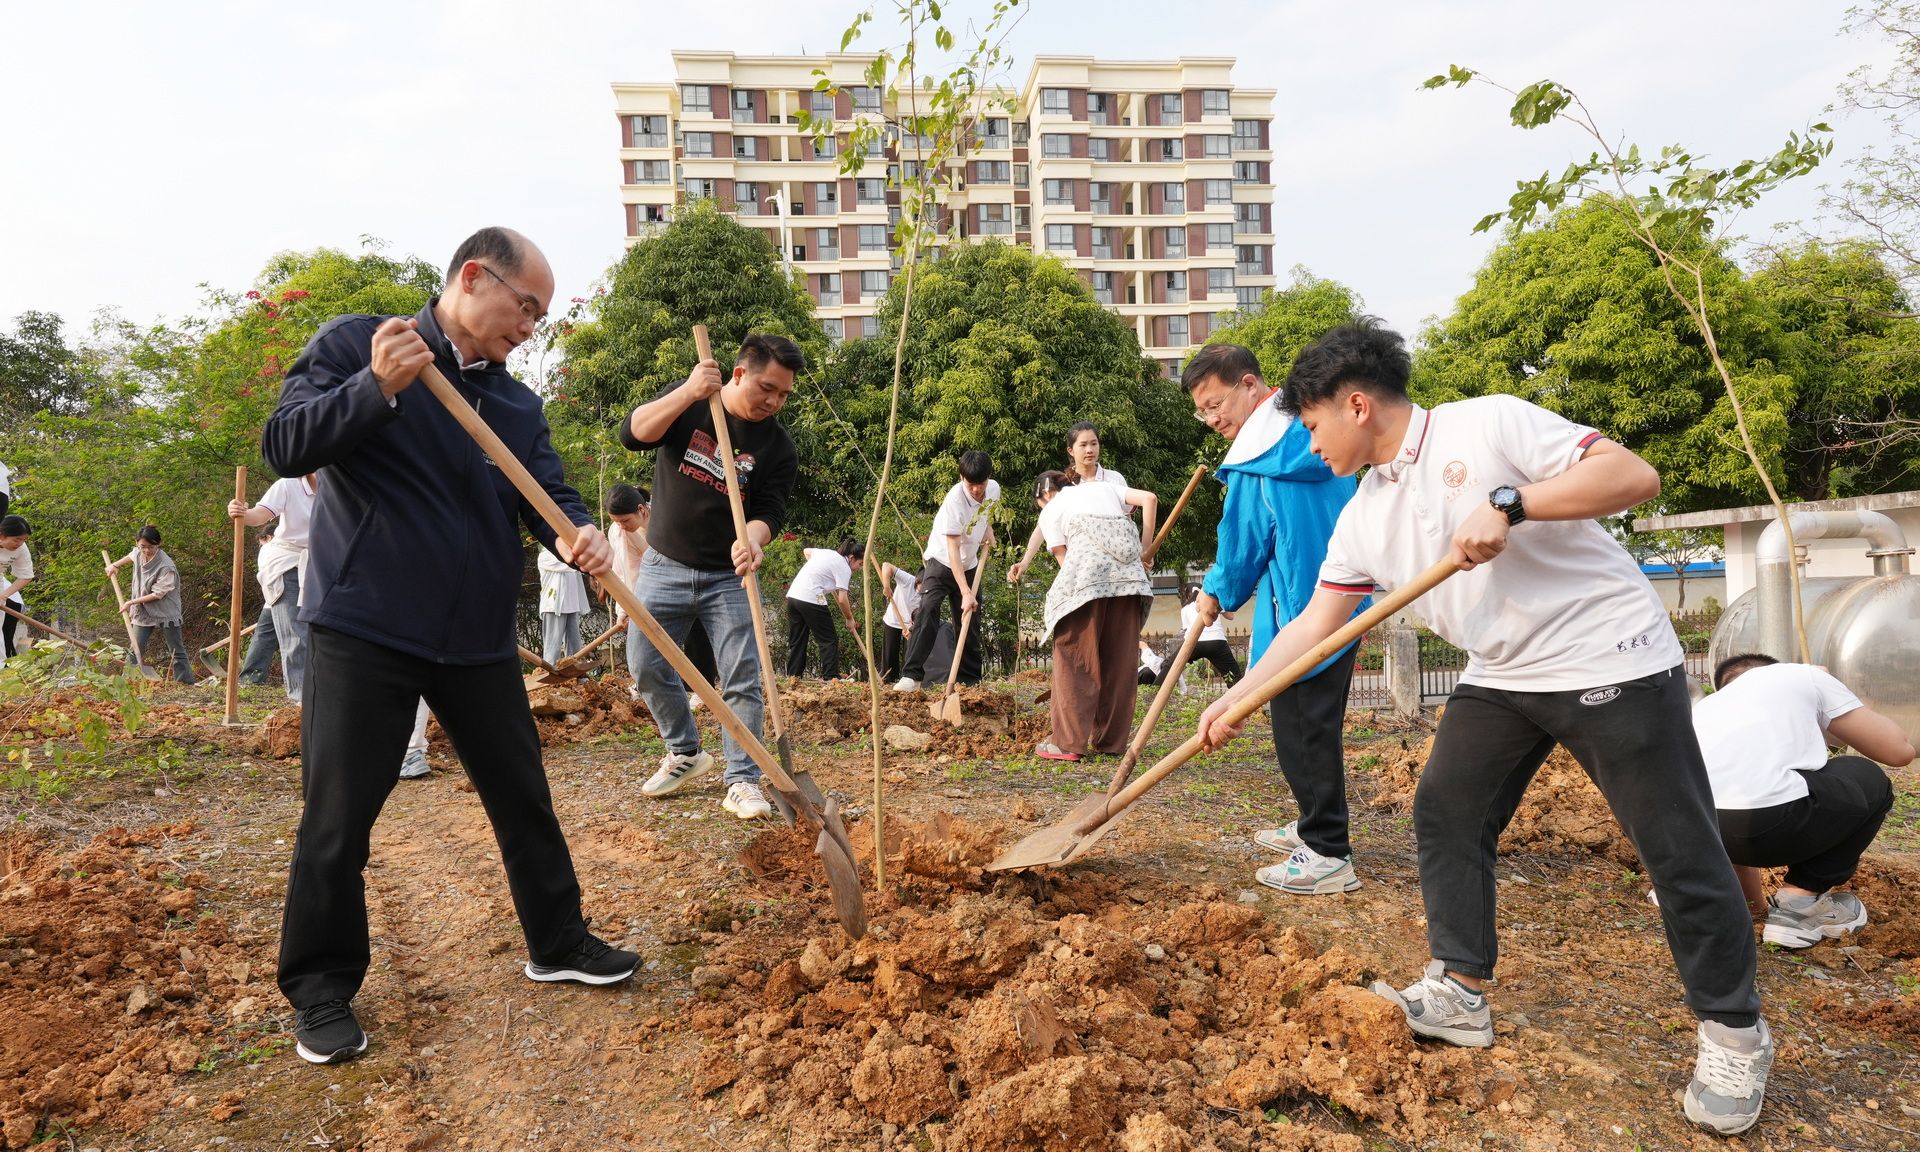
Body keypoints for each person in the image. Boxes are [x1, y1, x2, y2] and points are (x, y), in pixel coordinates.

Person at [1196, 319, 1772, 1136]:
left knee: (1675, 843)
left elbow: (1632, 474)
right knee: (1447, 810)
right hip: (1503, 672)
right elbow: (1318, 621)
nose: (1310, 443)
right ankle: (1458, 990)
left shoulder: (1488, 423)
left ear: (1357, 406)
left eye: (1314, 425)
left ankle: (1734, 1030)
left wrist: (1512, 503)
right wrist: (1240, 696)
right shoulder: (1363, 514)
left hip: (1606, 655)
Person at [262, 226, 638, 1067]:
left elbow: (548, 494)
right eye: (526, 307)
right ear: (474, 278)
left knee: (523, 796)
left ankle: (558, 941)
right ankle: (321, 987)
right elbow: (286, 445)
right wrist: (374, 387)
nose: (530, 328)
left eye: (540, 316)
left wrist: (578, 532)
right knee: (338, 817)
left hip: (474, 635)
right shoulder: (362, 344)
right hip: (366, 625)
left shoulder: (514, 404)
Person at [1183, 343, 1361, 895]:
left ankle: (1328, 850)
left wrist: (1216, 592)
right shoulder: (1318, 433)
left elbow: (1243, 542)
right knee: (1316, 723)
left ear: (1250, 385)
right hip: (1343, 599)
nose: (1213, 420)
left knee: (1301, 728)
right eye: (1203, 413)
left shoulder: (1257, 456)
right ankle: (1311, 823)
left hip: (1300, 610)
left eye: (1216, 405)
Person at [620, 333, 803, 820]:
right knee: (644, 665)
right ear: (739, 374)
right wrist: (688, 391)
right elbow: (633, 434)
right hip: (664, 565)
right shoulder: (693, 405)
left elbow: (770, 510)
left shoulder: (778, 447)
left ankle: (742, 779)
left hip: (729, 577)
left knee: (741, 677)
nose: (774, 401)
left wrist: (754, 539)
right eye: (767, 388)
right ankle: (684, 750)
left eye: (784, 394)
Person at [1693, 653, 1914, 948]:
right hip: (1773, 824)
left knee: (1742, 798)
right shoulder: (1804, 675)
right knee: (1866, 776)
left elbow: (1734, 815)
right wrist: (1829, 686)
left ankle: (1784, 914)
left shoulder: (1706, 707)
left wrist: (1758, 909)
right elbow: (1898, 752)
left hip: (1700, 830)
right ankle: (1800, 902)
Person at [1031, 470, 1157, 761]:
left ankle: (1067, 743)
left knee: (1075, 658)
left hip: (1089, 582)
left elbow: (1065, 561)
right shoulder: (1106, 487)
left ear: (1046, 494)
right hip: (1131, 581)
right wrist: (1146, 551)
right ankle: (1111, 742)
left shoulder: (1052, 508)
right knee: (1119, 661)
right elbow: (1149, 499)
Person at [895, 451, 999, 692]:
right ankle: (912, 676)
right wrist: (965, 592)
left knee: (970, 621)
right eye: (971, 485)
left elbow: (986, 514)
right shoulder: (954, 501)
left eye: (981, 483)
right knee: (928, 610)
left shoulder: (993, 489)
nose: (977, 490)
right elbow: (953, 550)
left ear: (988, 477)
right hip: (942, 562)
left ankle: (969, 681)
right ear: (962, 478)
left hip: (970, 564)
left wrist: (988, 529)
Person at [228, 473, 317, 703]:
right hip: (286, 561)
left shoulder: (342, 485)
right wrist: (242, 513)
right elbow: (259, 515)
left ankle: (322, 695)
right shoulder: (288, 485)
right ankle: (302, 700)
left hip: (322, 563)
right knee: (296, 634)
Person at [1007, 422, 1129, 584]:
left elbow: (1127, 519)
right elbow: (1045, 524)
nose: (1089, 450)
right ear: (1071, 450)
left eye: (1094, 443)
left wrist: (1141, 551)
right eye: (1083, 445)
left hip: (1120, 562)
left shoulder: (1114, 479)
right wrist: (1025, 561)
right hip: (1082, 568)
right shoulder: (1063, 485)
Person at [106, 526, 197, 684]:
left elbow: (157, 594)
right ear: (137, 543)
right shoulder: (138, 552)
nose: (147, 551)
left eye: (151, 547)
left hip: (165, 611)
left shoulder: (166, 566)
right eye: (143, 546)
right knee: (135, 648)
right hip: (143, 610)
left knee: (176, 650)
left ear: (158, 544)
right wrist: (115, 565)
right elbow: (131, 555)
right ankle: (127, 682)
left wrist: (131, 602)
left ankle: (185, 682)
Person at [785, 538, 864, 680]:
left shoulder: (827, 553)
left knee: (798, 639)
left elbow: (806, 551)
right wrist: (849, 619)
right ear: (851, 557)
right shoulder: (844, 567)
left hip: (793, 596)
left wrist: (818, 572)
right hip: (811, 597)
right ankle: (831, 677)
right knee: (828, 639)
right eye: (860, 563)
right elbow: (842, 599)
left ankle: (793, 676)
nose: (859, 568)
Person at [238, 527, 281, 686]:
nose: (260, 546)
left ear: (268, 537)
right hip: (279, 599)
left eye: (261, 541)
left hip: (275, 599)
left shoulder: (270, 548)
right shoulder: (291, 546)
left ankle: (251, 678)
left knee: (263, 637)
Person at [1180, 583, 1242, 686]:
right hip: (1217, 641)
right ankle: (1241, 694)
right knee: (1235, 678)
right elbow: (1231, 616)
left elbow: (1186, 630)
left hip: (1194, 642)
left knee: (1170, 666)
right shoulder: (1213, 601)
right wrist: (1220, 604)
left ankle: (1157, 687)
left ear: (1187, 595)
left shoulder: (1185, 609)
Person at [537, 545, 589, 666]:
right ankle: (550, 673)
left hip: (573, 605)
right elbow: (571, 565)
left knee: (575, 649)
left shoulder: (570, 555)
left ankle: (576, 673)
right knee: (552, 648)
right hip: (553, 607)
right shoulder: (546, 556)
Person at [877, 559, 921, 685]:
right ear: (917, 581)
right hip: (893, 619)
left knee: (910, 655)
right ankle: (887, 682)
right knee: (889, 655)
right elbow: (886, 566)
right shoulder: (908, 580)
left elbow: (922, 615)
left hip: (911, 625)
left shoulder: (929, 594)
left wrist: (911, 629)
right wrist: (886, 586)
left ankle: (907, 681)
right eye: (921, 585)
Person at [0, 515, 33, 666]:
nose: (20, 544)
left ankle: (2, 670)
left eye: (24, 540)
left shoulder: (21, 548)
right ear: (1, 535)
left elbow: (26, 576)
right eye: (17, 539)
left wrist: (4, 596)